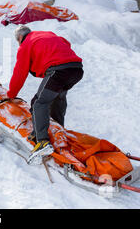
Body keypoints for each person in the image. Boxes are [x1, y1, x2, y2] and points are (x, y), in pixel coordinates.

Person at [6, 26, 83, 164]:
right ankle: (57, 131)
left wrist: (11, 94)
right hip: (76, 69)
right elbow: (65, 43)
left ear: (19, 39)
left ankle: (42, 142)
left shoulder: (25, 45)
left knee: (38, 103)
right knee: (57, 97)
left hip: (58, 71)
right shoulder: (47, 34)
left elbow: (20, 73)